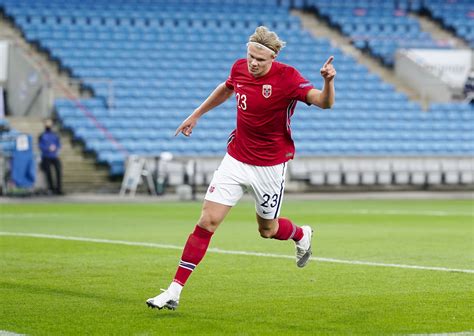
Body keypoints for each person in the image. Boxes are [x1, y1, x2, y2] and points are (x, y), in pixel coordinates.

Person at [146, 26, 336, 310]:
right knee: (207, 221)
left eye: (260, 59)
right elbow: (226, 88)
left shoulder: (288, 77)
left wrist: (328, 83)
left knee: (267, 230)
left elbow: (323, 103)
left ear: (272, 58)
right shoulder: (239, 69)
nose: (254, 63)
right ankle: (174, 291)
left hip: (270, 167)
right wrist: (196, 115)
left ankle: (300, 234)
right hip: (235, 159)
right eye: (251, 56)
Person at [38, 119, 63, 195]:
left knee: (58, 171)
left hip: (54, 156)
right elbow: (40, 146)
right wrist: (47, 148)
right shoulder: (42, 135)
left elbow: (58, 144)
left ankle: (58, 189)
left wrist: (55, 148)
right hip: (46, 156)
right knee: (48, 173)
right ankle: (51, 188)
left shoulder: (55, 135)